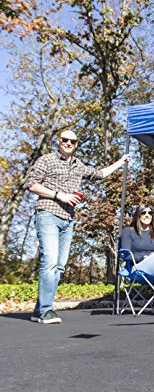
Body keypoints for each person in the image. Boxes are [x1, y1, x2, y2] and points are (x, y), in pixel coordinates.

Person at [26, 130, 131, 324]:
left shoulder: (78, 165)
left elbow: (100, 174)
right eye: (65, 140)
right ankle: (47, 310)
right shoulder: (46, 160)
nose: (68, 143)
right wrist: (59, 195)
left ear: (76, 144)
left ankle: (39, 309)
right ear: (59, 141)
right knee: (49, 261)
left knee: (59, 265)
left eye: (72, 141)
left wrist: (121, 161)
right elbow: (31, 184)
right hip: (48, 213)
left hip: (68, 219)